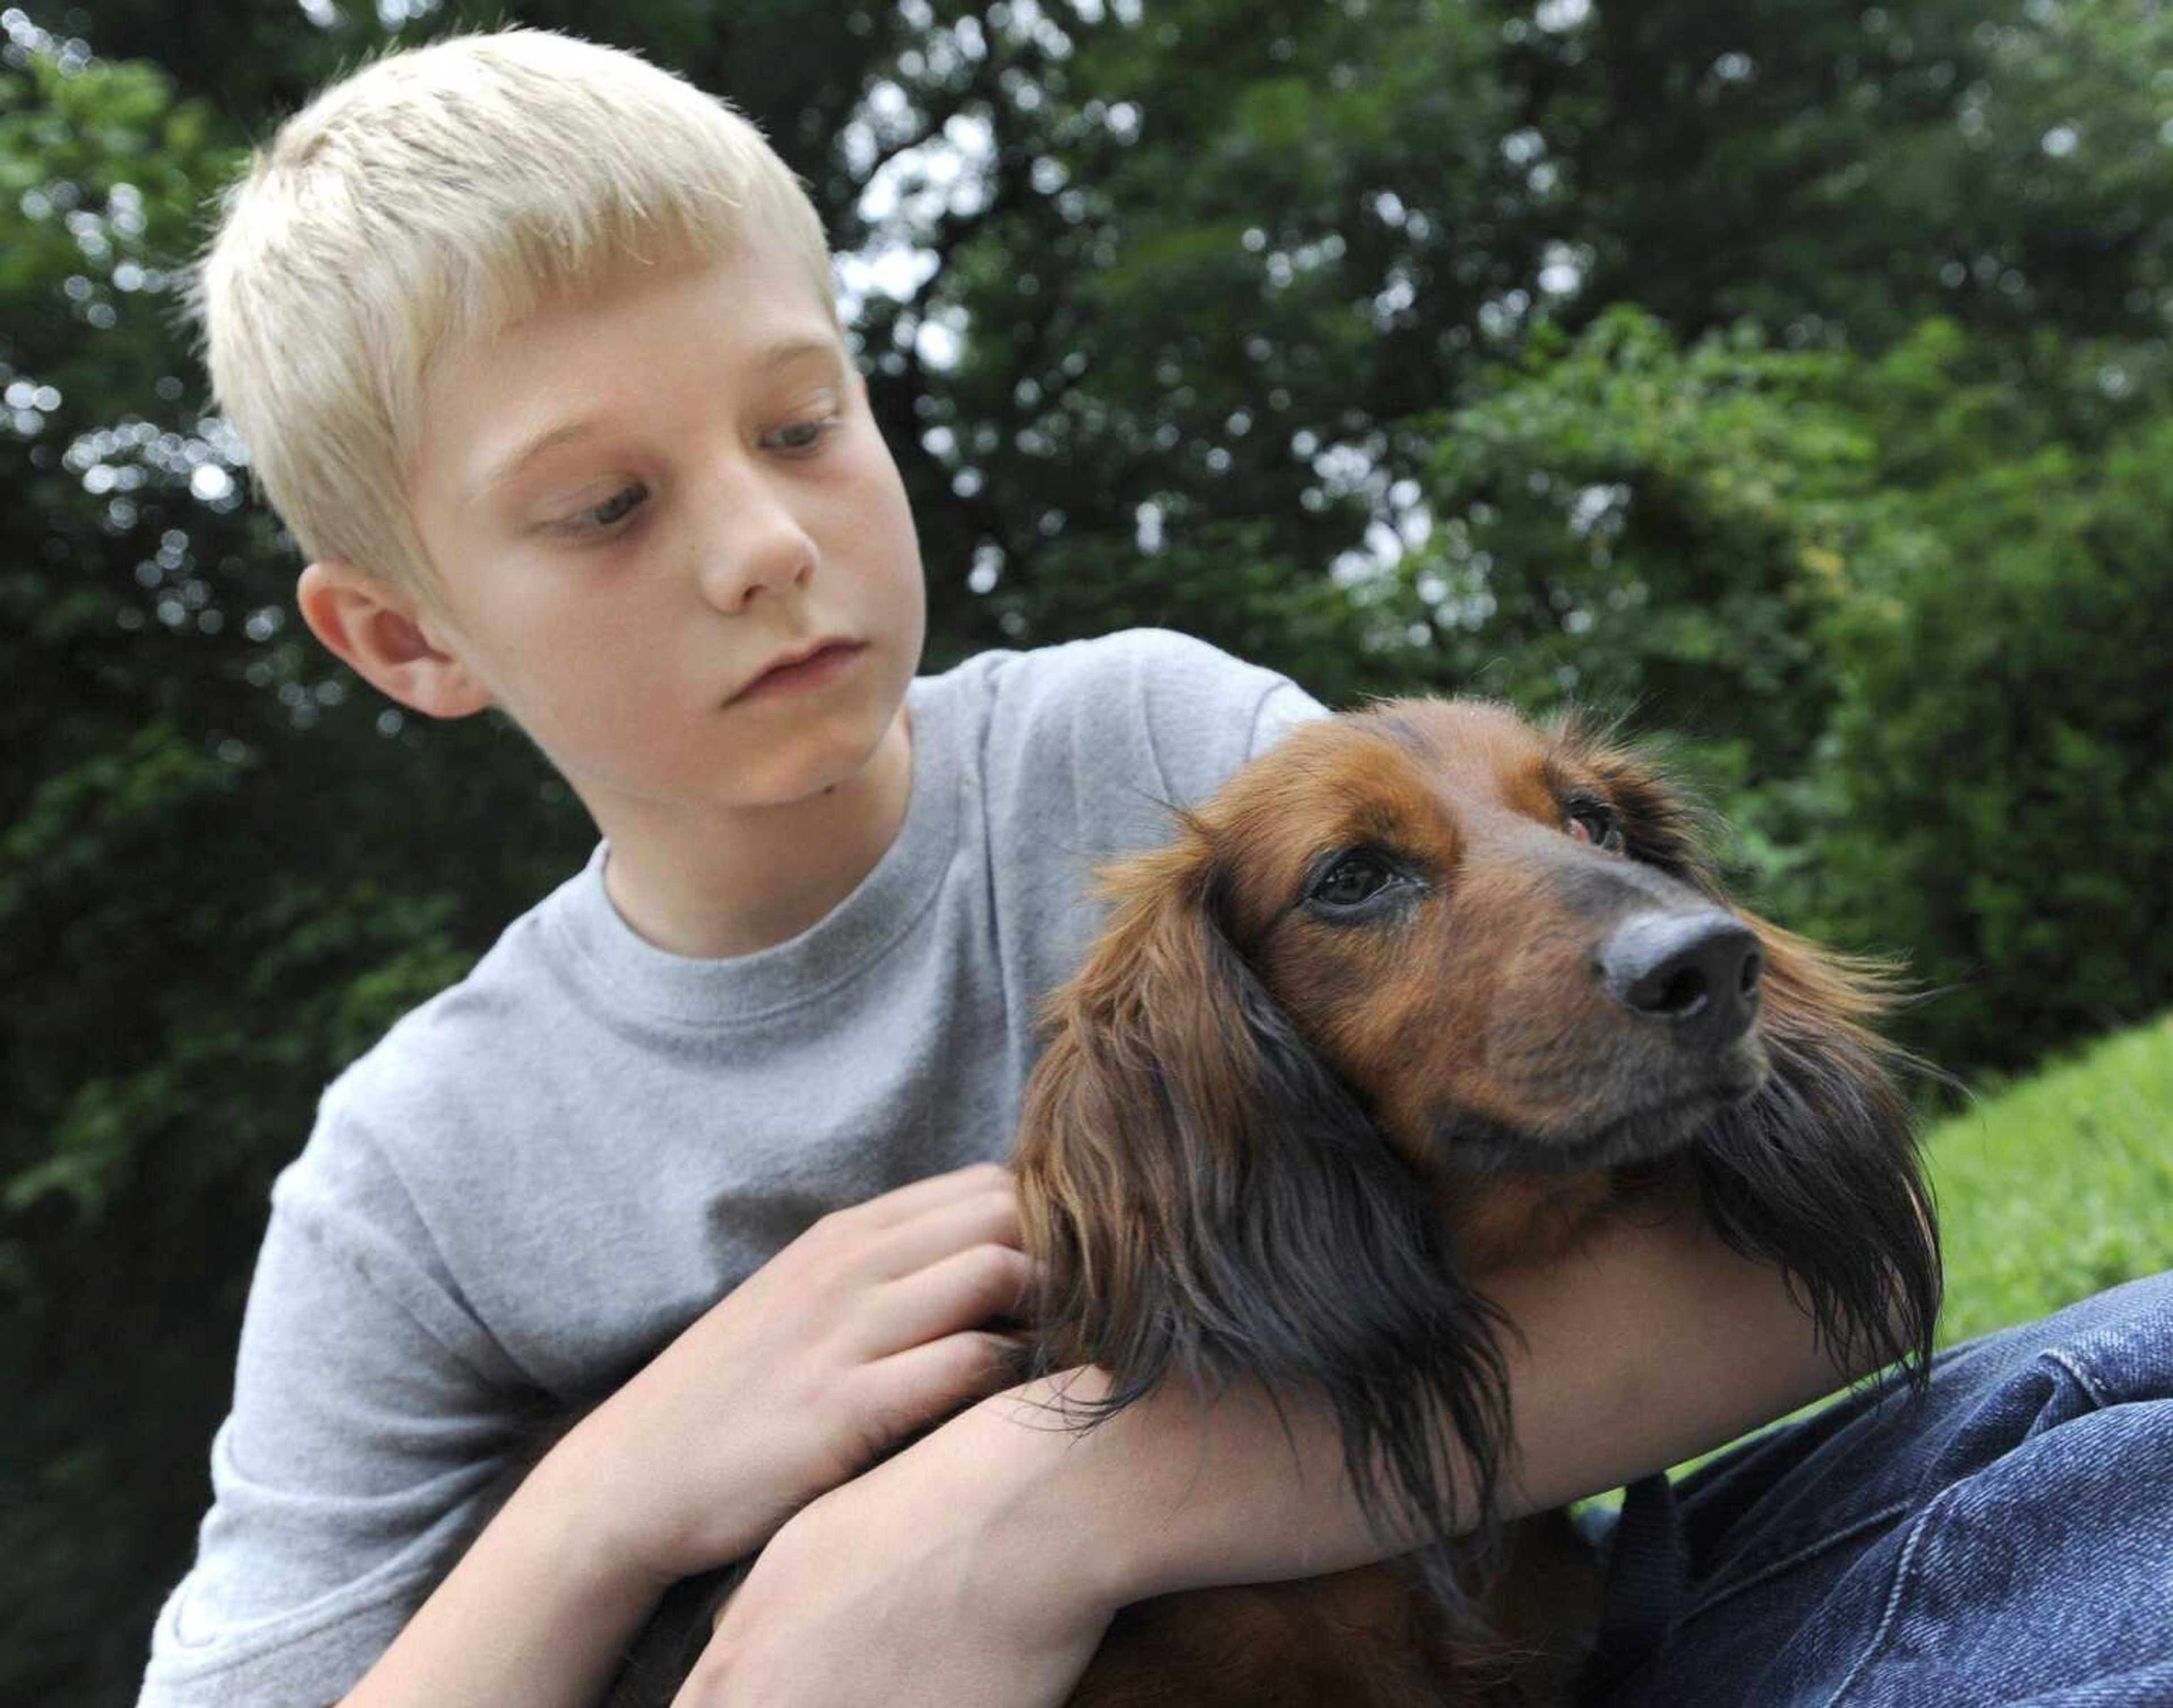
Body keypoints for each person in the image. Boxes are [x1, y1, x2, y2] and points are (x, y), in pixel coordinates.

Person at [136, 25, 2172, 1708]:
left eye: (805, 420)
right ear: (407, 638)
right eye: (603, 505)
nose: (762, 540)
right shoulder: (415, 1176)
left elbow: (1802, 1266)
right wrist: (615, 1496)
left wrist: (1048, 1498)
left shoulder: (1149, 741)